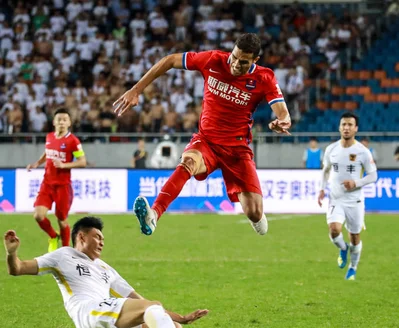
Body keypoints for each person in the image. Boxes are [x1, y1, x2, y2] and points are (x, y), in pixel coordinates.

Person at [113, 33, 291, 236]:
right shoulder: (213, 60)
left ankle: (256, 215)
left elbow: (283, 112)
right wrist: (136, 89)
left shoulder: (264, 78)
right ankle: (153, 215)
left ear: (254, 61)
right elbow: (170, 60)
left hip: (237, 149)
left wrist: (282, 121)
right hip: (206, 141)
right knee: (187, 163)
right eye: (234, 57)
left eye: (242, 62)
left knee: (254, 212)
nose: (234, 64)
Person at [4, 216, 208, 328]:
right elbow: (18, 269)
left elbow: (141, 302)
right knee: (157, 315)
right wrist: (12, 253)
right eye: (98, 237)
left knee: (170, 327)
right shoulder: (63, 255)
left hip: (110, 315)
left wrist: (180, 318)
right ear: (82, 236)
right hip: (89, 313)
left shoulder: (105, 268)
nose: (102, 242)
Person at [317, 113, 377, 281]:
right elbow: (326, 170)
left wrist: (356, 183)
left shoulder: (362, 152)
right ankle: (343, 249)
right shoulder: (331, 149)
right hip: (336, 198)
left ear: (356, 128)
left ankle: (353, 267)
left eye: (350, 125)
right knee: (334, 230)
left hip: (354, 201)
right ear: (339, 127)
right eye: (344, 124)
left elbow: (373, 176)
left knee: (355, 237)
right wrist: (322, 189)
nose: (346, 127)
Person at [26, 108, 87, 252]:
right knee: (38, 216)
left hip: (63, 186)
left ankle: (65, 250)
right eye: (59, 119)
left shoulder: (73, 141)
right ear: (54, 122)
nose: (61, 122)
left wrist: (64, 165)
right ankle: (53, 236)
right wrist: (37, 163)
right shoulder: (49, 137)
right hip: (47, 184)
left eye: (64, 120)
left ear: (69, 123)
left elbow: (82, 162)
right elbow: (47, 153)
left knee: (61, 220)